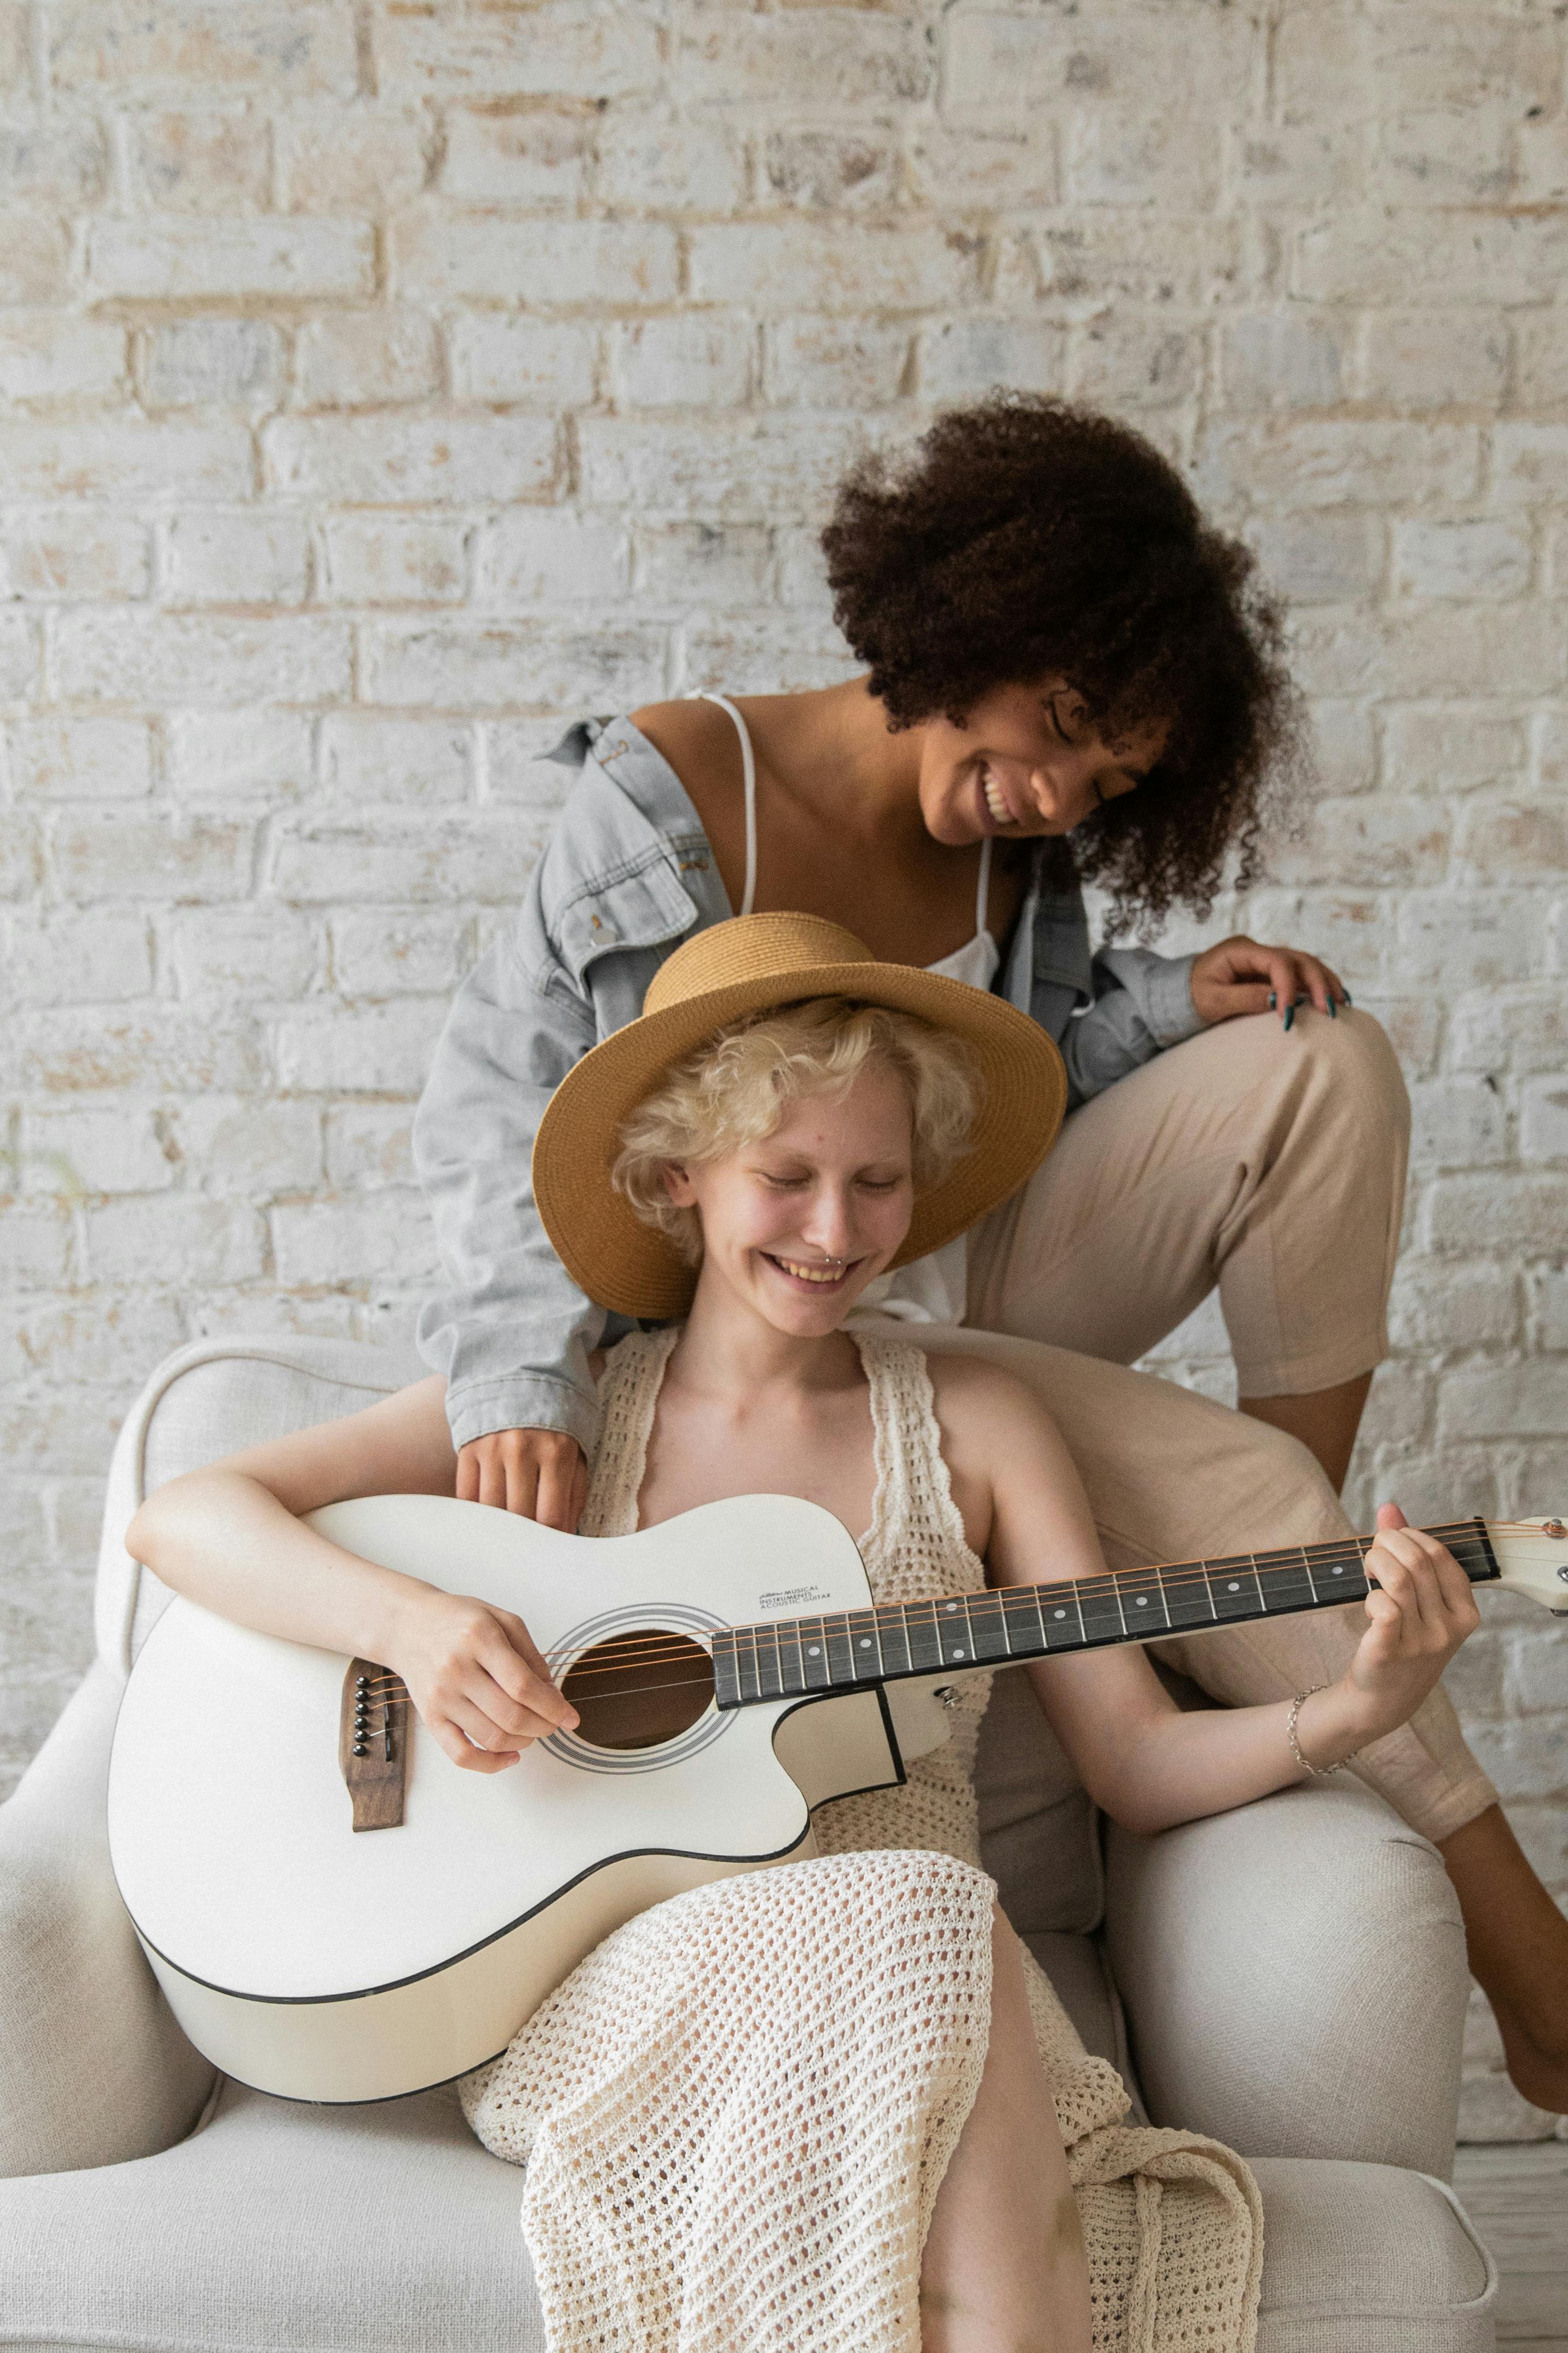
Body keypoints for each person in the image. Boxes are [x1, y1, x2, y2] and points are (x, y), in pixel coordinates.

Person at [412, 395, 1568, 2114]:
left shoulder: (1018, 859)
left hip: (950, 1269)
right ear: (978, 617)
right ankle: (1537, 1973)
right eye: (1065, 728)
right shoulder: (667, 798)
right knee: (1235, 1489)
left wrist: (1177, 1003)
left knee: (1324, 1064)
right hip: (798, 1329)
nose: (1056, 791)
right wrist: (518, 1375)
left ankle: (1214, 1596)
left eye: (1104, 784)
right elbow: (508, 1107)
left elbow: (985, 1095)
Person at [127, 918, 1484, 2353]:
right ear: (678, 1181)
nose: (836, 1232)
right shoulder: (558, 1415)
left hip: (933, 1953)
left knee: (925, 1926)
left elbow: (1132, 1760)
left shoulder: (977, 1423)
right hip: (633, 1975)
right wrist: (410, 1623)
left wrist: (1348, 1710)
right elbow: (186, 1518)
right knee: (929, 1932)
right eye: (785, 1178)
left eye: (876, 1180)